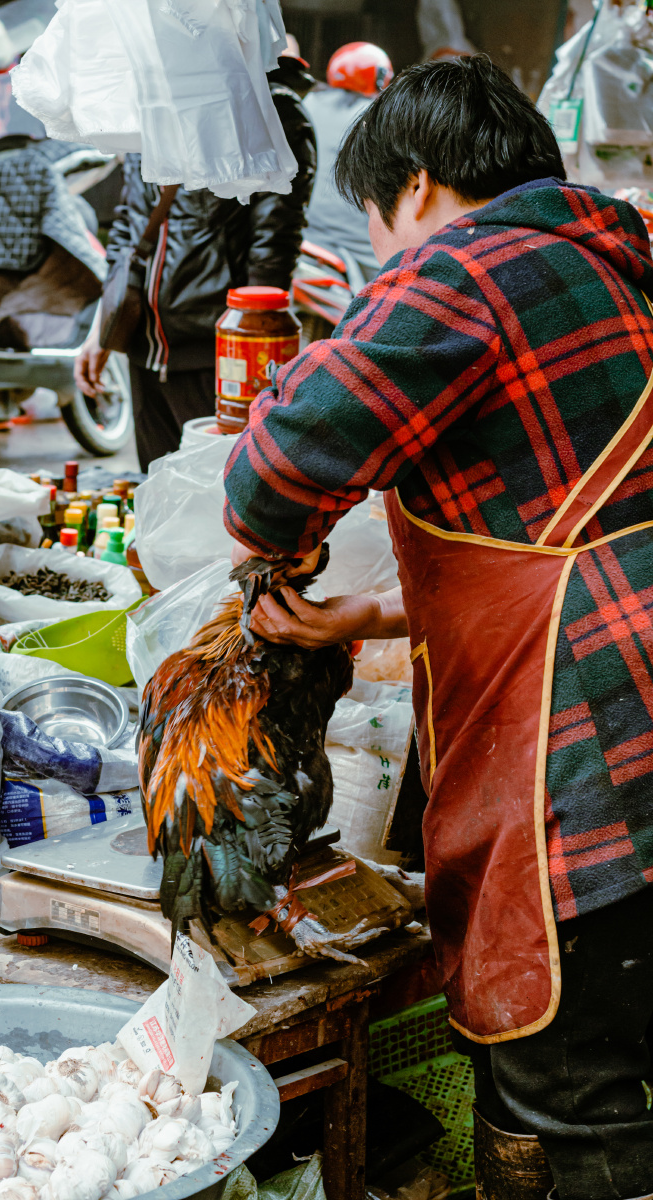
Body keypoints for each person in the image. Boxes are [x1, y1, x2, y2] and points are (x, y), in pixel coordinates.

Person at [224, 53, 653, 1200]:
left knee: (570, 1094)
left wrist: (270, 519)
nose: (377, 257)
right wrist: (369, 611)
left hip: (595, 753)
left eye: (372, 225)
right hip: (631, 701)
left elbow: (273, 470)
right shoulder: (615, 263)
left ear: (412, 186)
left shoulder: (463, 265)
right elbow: (570, 532)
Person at [74, 53, 316, 473]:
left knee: (215, 494)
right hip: (144, 346)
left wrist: (250, 350)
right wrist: (102, 327)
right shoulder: (147, 103)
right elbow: (130, 223)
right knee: (156, 492)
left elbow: (274, 241)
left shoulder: (270, 107)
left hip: (217, 351)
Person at [303, 42, 393, 282]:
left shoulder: (307, 105)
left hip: (305, 242)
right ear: (381, 78)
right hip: (360, 256)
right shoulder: (381, 117)